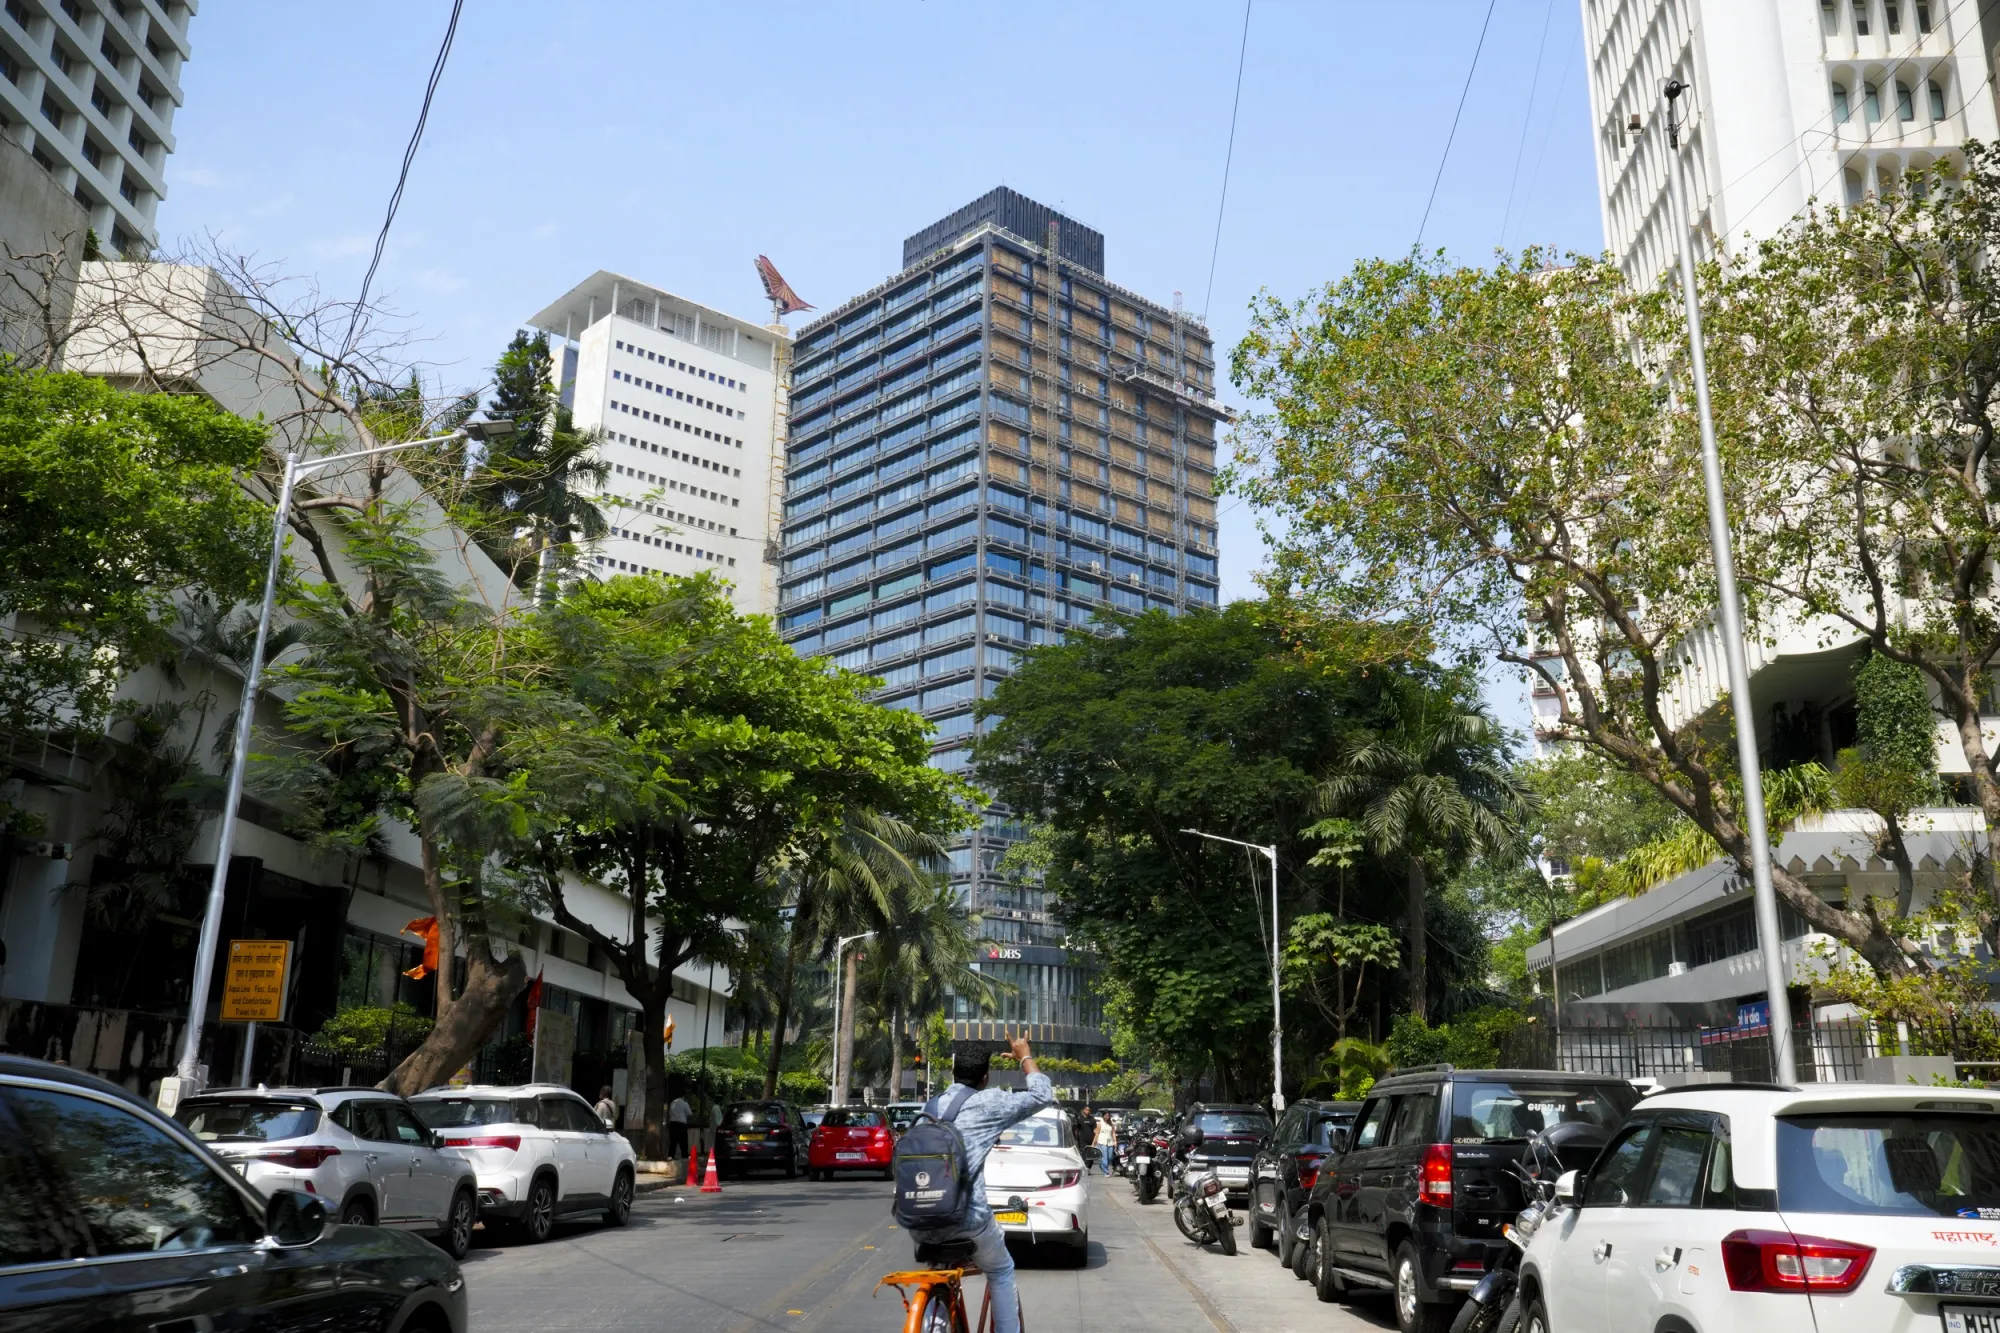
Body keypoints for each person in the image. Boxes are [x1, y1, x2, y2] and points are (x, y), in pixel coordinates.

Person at [910, 1035, 1051, 1333]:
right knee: (1001, 1270)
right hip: (968, 1220)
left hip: (919, 1222)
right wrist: (1025, 1056)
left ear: (953, 1072)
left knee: (939, 1271)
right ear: (985, 1077)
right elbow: (1042, 1095)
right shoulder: (989, 1102)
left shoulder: (931, 1107)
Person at [668, 1090, 692, 1161]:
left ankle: (670, 1156)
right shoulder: (685, 1104)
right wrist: (686, 1117)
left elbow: (670, 1113)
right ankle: (685, 1156)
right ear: (683, 1096)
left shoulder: (672, 1103)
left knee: (673, 1142)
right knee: (683, 1142)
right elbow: (690, 1114)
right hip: (681, 1125)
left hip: (673, 1124)